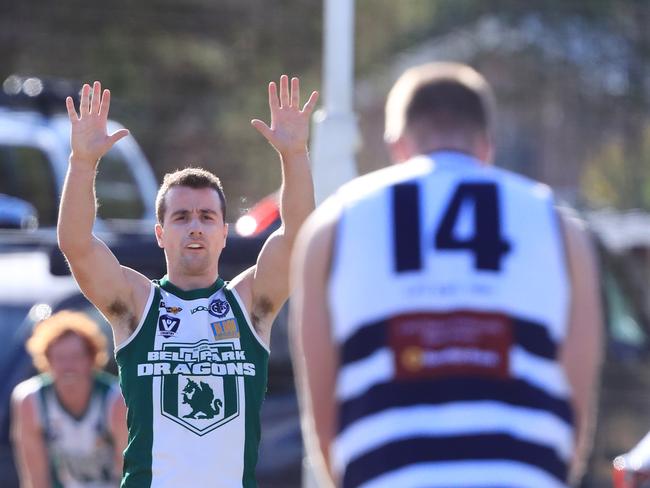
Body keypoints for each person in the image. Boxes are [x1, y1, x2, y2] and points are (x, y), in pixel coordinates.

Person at [290, 62, 603, 488]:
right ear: (487, 147)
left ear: (396, 146)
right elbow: (574, 410)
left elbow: (323, 418)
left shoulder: (331, 229)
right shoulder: (563, 230)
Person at [57, 75, 318, 488]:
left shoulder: (250, 304)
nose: (194, 227)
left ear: (224, 232)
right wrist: (82, 163)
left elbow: (301, 238)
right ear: (160, 232)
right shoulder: (138, 305)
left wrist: (295, 155)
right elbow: (76, 244)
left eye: (207, 217)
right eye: (181, 217)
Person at [11, 310, 127, 488]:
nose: (68, 367)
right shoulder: (31, 400)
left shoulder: (115, 400)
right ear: (47, 360)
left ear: (91, 358)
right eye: (60, 358)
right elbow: (35, 479)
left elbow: (129, 471)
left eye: (76, 357)